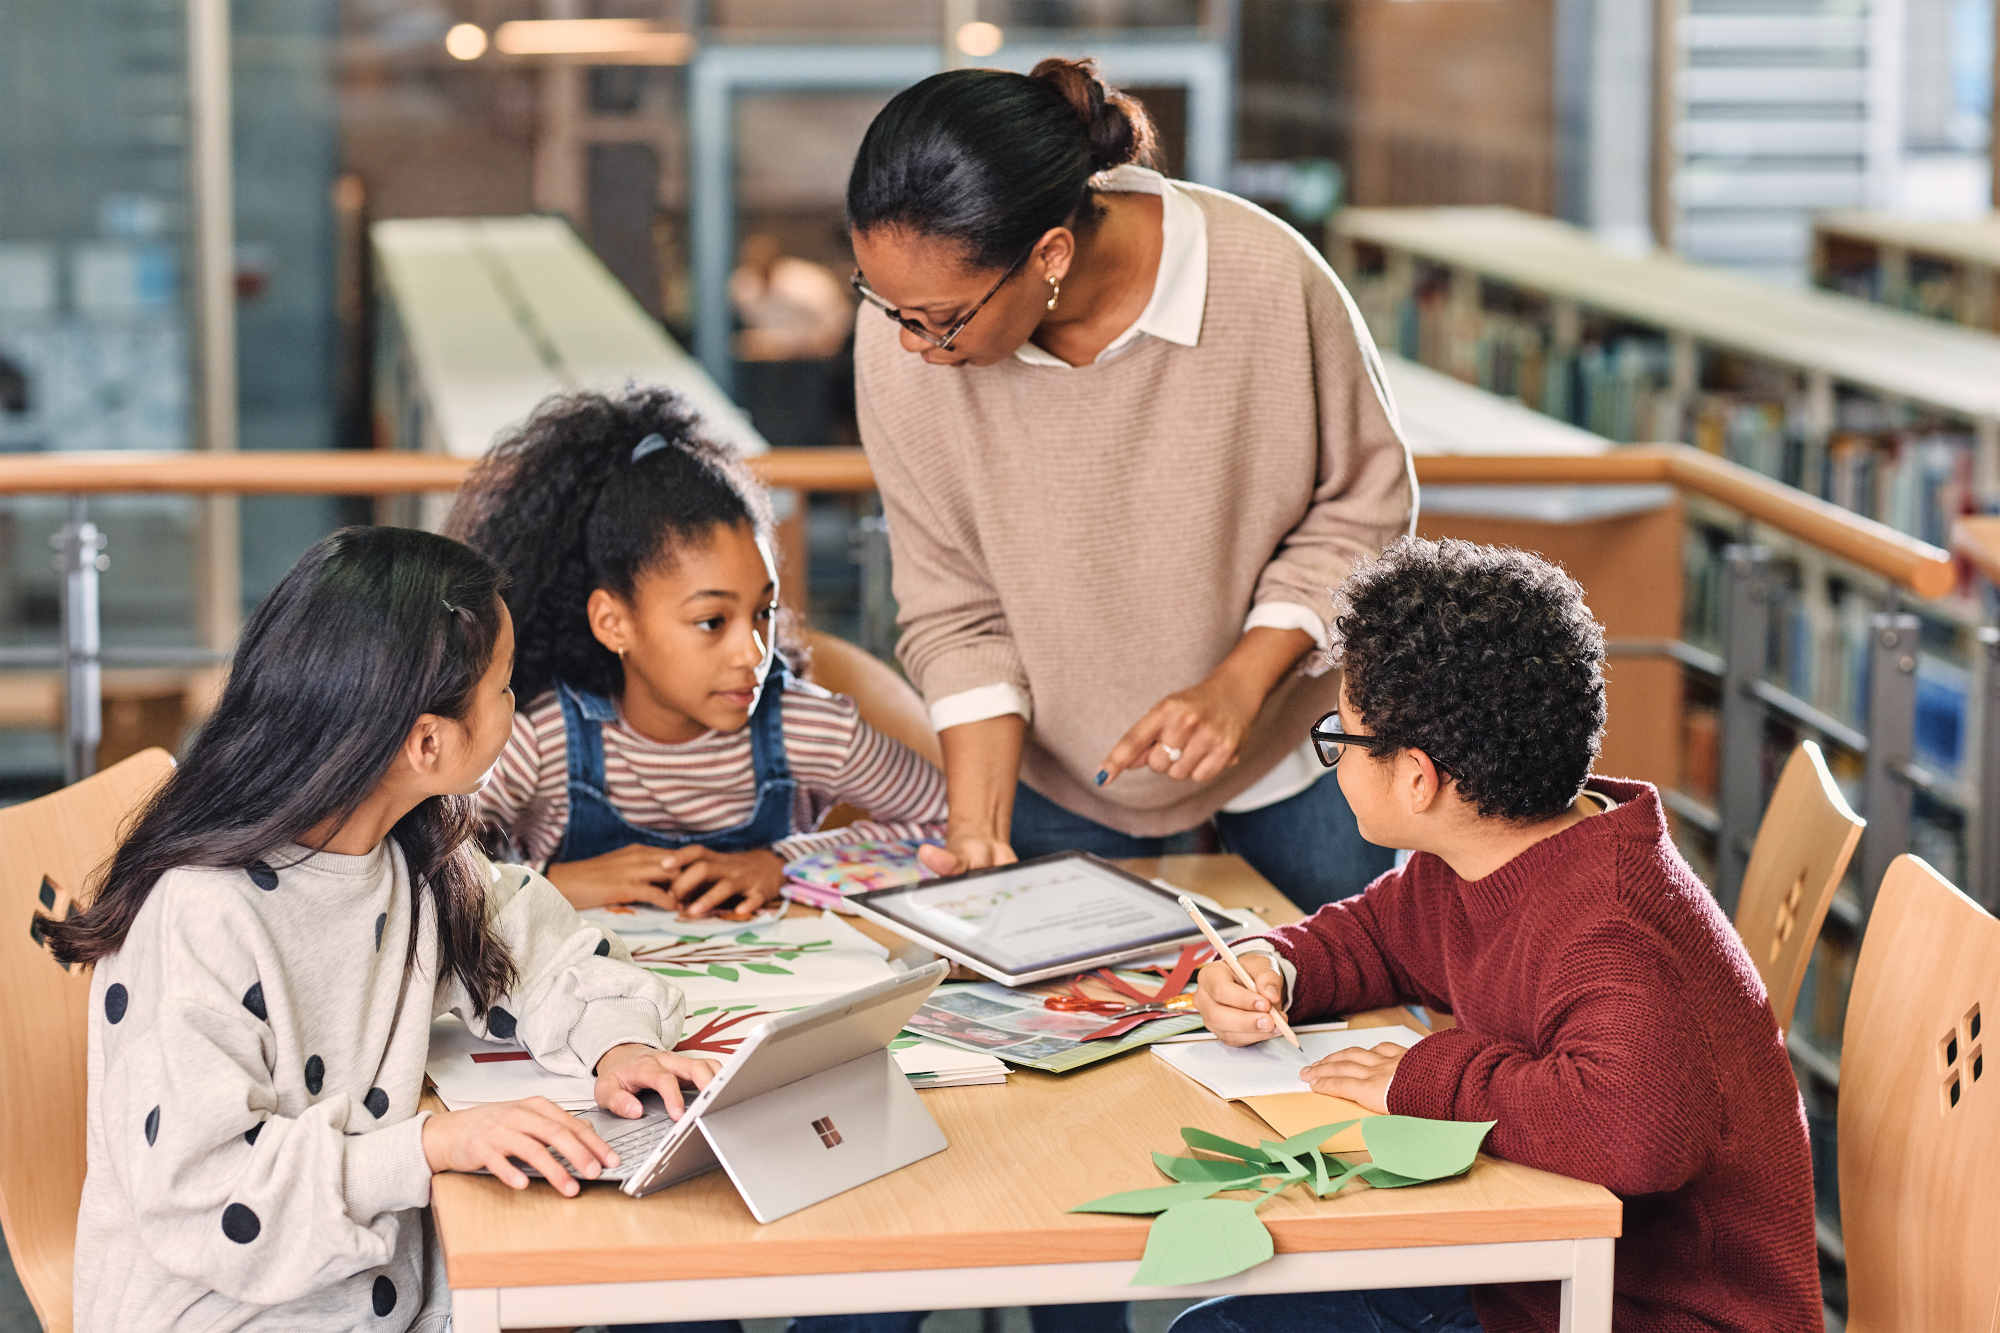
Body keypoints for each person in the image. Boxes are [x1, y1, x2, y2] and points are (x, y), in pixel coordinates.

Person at [45, 527, 723, 1333]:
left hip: (387, 1287)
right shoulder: (202, 910)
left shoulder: (415, 848)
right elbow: (205, 1192)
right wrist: (429, 1146)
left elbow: (540, 949)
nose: (516, 705)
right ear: (428, 741)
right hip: (230, 1311)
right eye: (506, 688)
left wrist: (618, 1046)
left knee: (602, 1275)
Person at [1181, 538, 1823, 1333]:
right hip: (1534, 1274)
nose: (1334, 761)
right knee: (1226, 1321)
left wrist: (1420, 1076)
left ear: (1417, 778)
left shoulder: (1616, 927)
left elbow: (1636, 1131)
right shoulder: (1487, 851)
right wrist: (1279, 966)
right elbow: (1382, 935)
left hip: (1648, 1312)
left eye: (1339, 737)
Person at [846, 57, 1415, 914]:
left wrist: (1237, 685)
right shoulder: (909, 330)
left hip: (1293, 749)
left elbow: (1364, 509)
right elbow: (954, 604)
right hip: (1060, 774)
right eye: (886, 305)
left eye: (942, 319)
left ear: (1051, 254)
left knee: (1373, 1005)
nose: (910, 344)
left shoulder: (1265, 280)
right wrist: (976, 829)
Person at [448, 386, 947, 920]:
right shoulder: (540, 744)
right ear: (614, 623)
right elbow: (421, 855)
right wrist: (550, 883)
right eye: (711, 621)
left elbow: (950, 825)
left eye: (764, 612)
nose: (752, 652)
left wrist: (784, 864)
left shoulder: (814, 729)